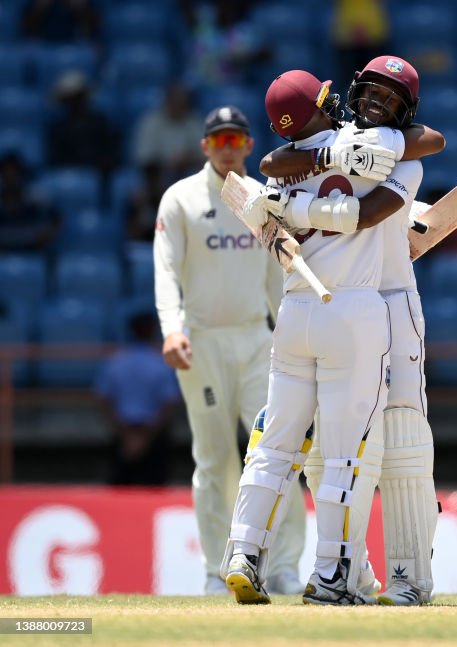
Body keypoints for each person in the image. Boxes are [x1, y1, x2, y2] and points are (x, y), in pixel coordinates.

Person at [220, 66, 432, 606]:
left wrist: (287, 207)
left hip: (298, 310)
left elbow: (271, 168)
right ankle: (337, 575)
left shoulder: (280, 172)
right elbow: (369, 205)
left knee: (274, 444)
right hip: (354, 308)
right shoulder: (369, 149)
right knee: (344, 455)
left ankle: (243, 553)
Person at [153, 105, 306, 596]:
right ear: (205, 147)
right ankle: (216, 572)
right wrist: (172, 329)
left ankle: (282, 566)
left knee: (277, 454)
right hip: (201, 343)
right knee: (216, 460)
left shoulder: (263, 198)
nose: (227, 149)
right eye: (219, 141)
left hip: (256, 341)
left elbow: (276, 278)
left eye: (236, 141)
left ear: (248, 146)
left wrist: (295, 334)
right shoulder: (180, 199)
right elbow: (166, 270)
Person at [94, 311, 180, 486]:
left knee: (120, 492)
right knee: (154, 491)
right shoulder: (161, 363)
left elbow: (102, 399)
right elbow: (170, 402)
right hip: (152, 434)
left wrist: (126, 434)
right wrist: (146, 437)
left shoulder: (115, 361)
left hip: (124, 433)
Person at [133, 82, 206, 185]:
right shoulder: (151, 122)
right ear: (167, 100)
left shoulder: (193, 121)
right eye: (175, 100)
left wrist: (187, 159)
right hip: (156, 176)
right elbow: (145, 158)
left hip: (188, 173)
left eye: (182, 102)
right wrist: (169, 163)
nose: (178, 104)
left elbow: (206, 155)